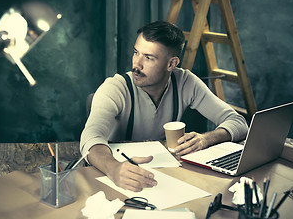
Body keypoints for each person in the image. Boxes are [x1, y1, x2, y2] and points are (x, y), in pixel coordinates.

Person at [80, 21, 248, 192]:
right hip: (119, 178)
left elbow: (238, 121)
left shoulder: (185, 82)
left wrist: (206, 139)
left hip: (166, 178)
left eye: (148, 58)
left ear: (171, 64)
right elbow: (91, 138)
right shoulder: (116, 88)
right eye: (136, 53)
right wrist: (113, 168)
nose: (136, 65)